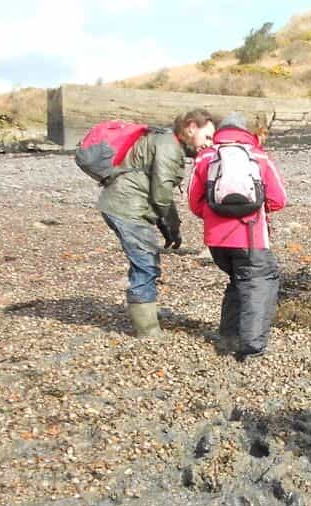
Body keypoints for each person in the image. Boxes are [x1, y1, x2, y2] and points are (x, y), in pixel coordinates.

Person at [98, 109, 215, 338]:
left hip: (122, 204)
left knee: (144, 261)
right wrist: (171, 226)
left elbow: (160, 191)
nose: (209, 144)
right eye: (207, 137)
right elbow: (161, 192)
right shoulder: (168, 147)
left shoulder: (164, 140)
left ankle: (146, 314)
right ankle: (148, 331)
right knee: (145, 265)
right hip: (127, 208)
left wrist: (170, 226)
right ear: (191, 127)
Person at [187, 113, 287, 361]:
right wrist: (255, 209)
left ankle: (229, 337)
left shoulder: (206, 156)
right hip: (251, 235)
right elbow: (279, 199)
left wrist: (215, 217)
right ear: (245, 131)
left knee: (237, 281)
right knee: (259, 284)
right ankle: (251, 348)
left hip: (216, 241)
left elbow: (193, 202)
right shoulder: (258, 155)